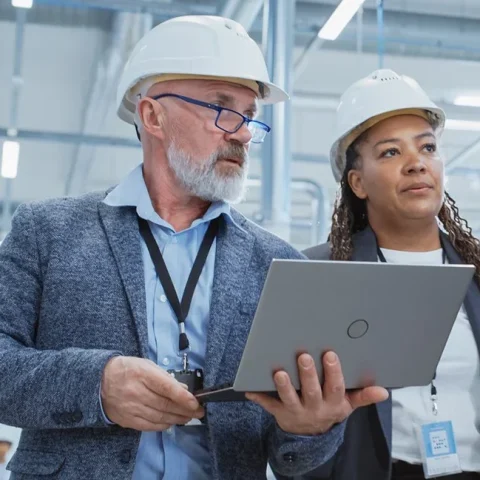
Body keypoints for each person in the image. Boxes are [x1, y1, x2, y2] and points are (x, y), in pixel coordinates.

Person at [0, 16, 387, 480]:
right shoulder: (48, 231)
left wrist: (309, 428)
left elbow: (292, 455)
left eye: (249, 115)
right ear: (152, 115)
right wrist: (98, 385)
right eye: (222, 108)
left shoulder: (277, 262)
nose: (242, 133)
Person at [301, 69, 480, 480]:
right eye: (390, 153)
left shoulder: (476, 273)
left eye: (428, 147)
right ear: (357, 182)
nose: (417, 164)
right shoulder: (318, 274)